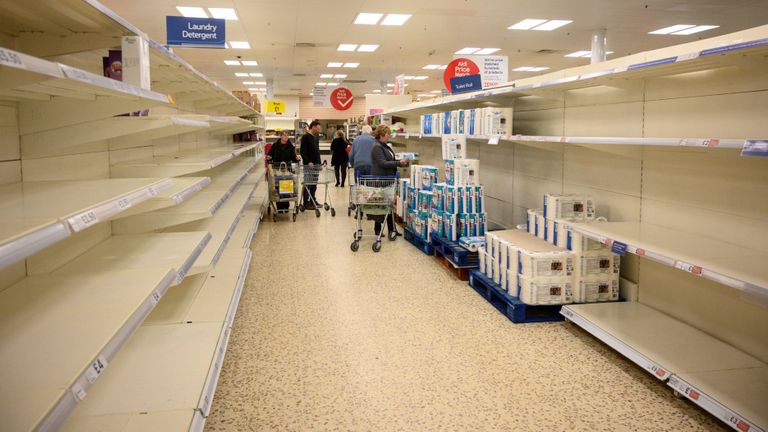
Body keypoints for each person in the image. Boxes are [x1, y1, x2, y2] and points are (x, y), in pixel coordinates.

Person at [370, 125, 409, 237]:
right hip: (381, 179)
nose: (389, 136)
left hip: (388, 178)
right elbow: (382, 163)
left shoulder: (384, 146)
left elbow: (389, 160)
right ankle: (378, 229)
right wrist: (398, 163)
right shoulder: (377, 147)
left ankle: (392, 229)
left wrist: (400, 162)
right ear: (381, 135)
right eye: (388, 135)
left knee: (389, 205)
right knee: (380, 204)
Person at [267, 130, 300, 210]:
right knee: (278, 186)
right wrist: (268, 158)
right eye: (284, 135)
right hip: (277, 169)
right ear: (281, 136)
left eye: (287, 135)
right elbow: (270, 155)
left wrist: (296, 158)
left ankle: (286, 204)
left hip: (287, 169)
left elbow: (293, 157)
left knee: (286, 185)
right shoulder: (275, 145)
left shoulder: (291, 146)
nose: (286, 137)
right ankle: (279, 206)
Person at [300, 120, 321, 209]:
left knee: (314, 184)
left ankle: (312, 200)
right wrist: (308, 162)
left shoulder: (316, 137)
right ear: (313, 127)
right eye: (318, 128)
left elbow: (317, 151)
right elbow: (303, 152)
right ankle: (306, 202)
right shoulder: (305, 137)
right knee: (308, 183)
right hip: (308, 165)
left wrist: (319, 163)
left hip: (316, 165)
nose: (319, 130)